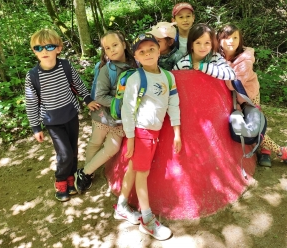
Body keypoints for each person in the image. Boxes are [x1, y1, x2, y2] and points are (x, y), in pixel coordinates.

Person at [114, 33, 181, 240]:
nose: (147, 53)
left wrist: (177, 132)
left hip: (154, 132)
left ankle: (121, 207)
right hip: (141, 132)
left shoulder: (168, 77)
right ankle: (147, 220)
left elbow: (173, 104)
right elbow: (127, 110)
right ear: (136, 57)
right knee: (141, 173)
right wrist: (132, 139)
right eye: (141, 51)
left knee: (134, 169)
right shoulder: (136, 78)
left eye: (151, 49)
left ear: (159, 50)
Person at [25, 29, 100, 202]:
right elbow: (31, 102)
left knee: (73, 150)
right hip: (52, 121)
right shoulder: (33, 76)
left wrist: (87, 98)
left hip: (71, 115)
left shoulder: (65, 66)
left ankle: (71, 176)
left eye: (49, 46)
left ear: (58, 48)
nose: (43, 51)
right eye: (38, 48)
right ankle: (60, 180)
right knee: (64, 153)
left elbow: (78, 83)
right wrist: (36, 127)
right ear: (34, 51)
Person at [217, 24, 287, 167]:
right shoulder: (218, 55)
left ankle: (281, 151)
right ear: (219, 40)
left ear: (240, 40)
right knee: (254, 123)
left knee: (253, 125)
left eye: (235, 37)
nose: (231, 41)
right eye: (226, 38)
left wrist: (222, 66)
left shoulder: (244, 61)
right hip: (237, 97)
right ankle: (266, 149)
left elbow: (231, 84)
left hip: (249, 96)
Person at [74, 30, 138, 193]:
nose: (112, 50)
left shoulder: (136, 64)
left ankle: (84, 172)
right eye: (107, 48)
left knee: (112, 148)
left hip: (121, 119)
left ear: (124, 44)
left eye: (115, 45)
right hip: (102, 116)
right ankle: (88, 173)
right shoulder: (106, 69)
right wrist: (122, 103)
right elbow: (99, 96)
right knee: (95, 143)